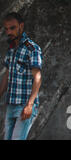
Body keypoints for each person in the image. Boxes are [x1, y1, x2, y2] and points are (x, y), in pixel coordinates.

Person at [0, 12, 42, 140]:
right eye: (6, 29)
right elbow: (7, 74)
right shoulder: (12, 49)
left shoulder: (32, 48)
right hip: (11, 104)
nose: (8, 32)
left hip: (24, 105)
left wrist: (30, 105)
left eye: (12, 28)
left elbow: (38, 77)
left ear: (21, 26)